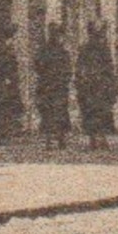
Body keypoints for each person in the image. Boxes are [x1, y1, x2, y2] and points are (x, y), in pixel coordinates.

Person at [76, 22, 118, 151]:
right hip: (99, 85)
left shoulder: (85, 49)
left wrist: (80, 83)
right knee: (101, 111)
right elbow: (110, 69)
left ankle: (94, 140)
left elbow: (79, 69)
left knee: (90, 112)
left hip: (90, 86)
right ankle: (101, 139)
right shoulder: (103, 49)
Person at [35, 23, 73, 152]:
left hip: (54, 87)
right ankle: (54, 140)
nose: (60, 38)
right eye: (58, 34)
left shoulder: (54, 51)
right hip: (52, 87)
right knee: (53, 113)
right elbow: (38, 67)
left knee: (55, 113)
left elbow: (68, 69)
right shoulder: (54, 51)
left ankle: (57, 139)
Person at [0, 25, 23, 141]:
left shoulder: (6, 48)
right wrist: (7, 78)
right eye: (14, 36)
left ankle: (7, 132)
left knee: (7, 107)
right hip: (4, 84)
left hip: (7, 83)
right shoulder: (3, 49)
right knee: (4, 107)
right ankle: (4, 134)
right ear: (10, 37)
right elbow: (1, 66)